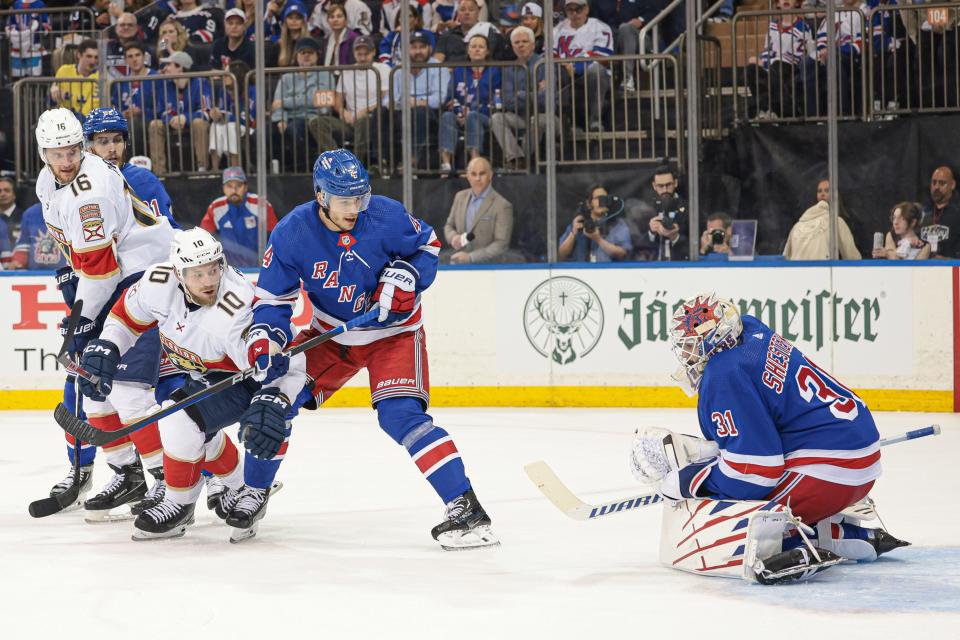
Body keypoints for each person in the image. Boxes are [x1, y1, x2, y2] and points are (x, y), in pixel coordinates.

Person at [248, 149, 499, 550]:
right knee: (273, 401)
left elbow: (429, 246)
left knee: (402, 417)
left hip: (394, 334)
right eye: (345, 200)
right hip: (330, 337)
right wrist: (267, 340)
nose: (355, 208)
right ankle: (252, 494)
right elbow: (273, 302)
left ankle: (466, 508)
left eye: (360, 197)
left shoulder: (385, 215)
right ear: (321, 197)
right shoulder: (293, 232)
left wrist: (410, 274)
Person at [630, 293, 909, 584]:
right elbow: (764, 418)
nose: (687, 357)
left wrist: (689, 481)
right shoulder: (751, 329)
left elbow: (754, 474)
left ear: (713, 343)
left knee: (729, 510)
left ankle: (790, 541)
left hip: (833, 470)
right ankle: (833, 530)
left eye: (690, 348)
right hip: (855, 451)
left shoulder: (723, 373)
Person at [77, 228, 306, 541]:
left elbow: (261, 361)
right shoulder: (158, 283)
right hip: (214, 370)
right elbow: (126, 318)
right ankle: (214, 492)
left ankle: (217, 495)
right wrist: (109, 345)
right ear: (177, 272)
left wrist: (270, 381)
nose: (209, 280)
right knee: (186, 422)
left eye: (214, 269)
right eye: (198, 273)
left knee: (184, 417)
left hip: (266, 373)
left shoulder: (231, 307)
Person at [34, 108, 175, 519]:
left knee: (130, 388)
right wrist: (72, 281)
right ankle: (126, 472)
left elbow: (104, 269)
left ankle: (167, 480)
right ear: (43, 152)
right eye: (57, 152)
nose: (66, 160)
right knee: (92, 382)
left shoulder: (90, 193)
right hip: (109, 278)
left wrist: (83, 319)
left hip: (140, 281)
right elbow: (78, 251)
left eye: (73, 150)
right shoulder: (49, 179)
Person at [83, 107, 178, 231]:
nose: (112, 148)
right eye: (103, 142)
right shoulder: (80, 187)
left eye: (117, 140)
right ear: (88, 148)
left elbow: (170, 231)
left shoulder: (144, 180)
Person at [313, 35, 390, 171]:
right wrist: (343, 112)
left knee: (364, 121)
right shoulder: (347, 71)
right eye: (358, 53)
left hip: (373, 119)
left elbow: (386, 98)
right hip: (349, 122)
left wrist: (366, 110)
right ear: (354, 53)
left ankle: (355, 168)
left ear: (373, 52)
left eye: (366, 53)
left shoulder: (383, 69)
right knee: (316, 123)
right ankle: (339, 162)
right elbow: (338, 99)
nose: (362, 57)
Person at [387, 30, 451, 170]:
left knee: (419, 112)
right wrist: (393, 103)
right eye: (414, 48)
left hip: (430, 114)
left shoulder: (439, 67)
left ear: (429, 48)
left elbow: (440, 98)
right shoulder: (399, 70)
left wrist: (418, 101)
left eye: (421, 47)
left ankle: (413, 159)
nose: (418, 51)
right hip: (402, 111)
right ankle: (382, 162)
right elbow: (389, 98)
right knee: (381, 114)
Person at [438, 33, 501, 172]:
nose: (477, 50)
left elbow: (496, 99)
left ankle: (474, 163)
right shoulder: (459, 71)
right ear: (468, 50)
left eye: (481, 47)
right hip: (460, 114)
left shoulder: (495, 71)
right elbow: (450, 97)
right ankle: (446, 164)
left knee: (473, 116)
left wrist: (472, 111)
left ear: (487, 51)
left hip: (485, 116)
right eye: (473, 46)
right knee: (447, 117)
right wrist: (459, 112)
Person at [744, 0, 816, 119]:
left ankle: (781, 110)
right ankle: (765, 109)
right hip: (773, 66)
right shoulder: (772, 25)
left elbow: (796, 55)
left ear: (797, 3)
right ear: (778, 4)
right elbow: (768, 50)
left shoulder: (803, 26)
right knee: (752, 68)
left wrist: (767, 63)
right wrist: (762, 62)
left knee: (777, 65)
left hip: (791, 67)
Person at [273, 38, 337, 171]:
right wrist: (281, 119)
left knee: (295, 130)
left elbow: (323, 101)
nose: (306, 55)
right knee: (264, 132)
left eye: (310, 52)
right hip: (287, 117)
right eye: (302, 52)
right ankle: (270, 171)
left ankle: (305, 170)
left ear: (317, 56)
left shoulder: (325, 75)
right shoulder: (286, 78)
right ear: (296, 56)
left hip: (312, 117)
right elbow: (276, 104)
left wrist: (287, 102)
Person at [148, 51, 213, 174]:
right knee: (155, 124)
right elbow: (161, 111)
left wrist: (185, 118)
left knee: (199, 122)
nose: (165, 69)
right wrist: (171, 119)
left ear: (180, 67)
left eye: (169, 65)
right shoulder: (166, 84)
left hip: (193, 124)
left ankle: (202, 169)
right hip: (172, 124)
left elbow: (206, 111)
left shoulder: (200, 83)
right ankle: (159, 172)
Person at [552, 0, 613, 132]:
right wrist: (562, 65)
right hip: (564, 75)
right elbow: (547, 55)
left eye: (578, 9)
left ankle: (595, 121)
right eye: (570, 10)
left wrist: (575, 68)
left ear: (586, 9)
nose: (574, 13)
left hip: (591, 76)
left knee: (596, 70)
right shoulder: (557, 30)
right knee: (553, 71)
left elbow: (602, 57)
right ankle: (566, 124)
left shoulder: (600, 27)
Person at [200, 167, 279, 267]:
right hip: (228, 270)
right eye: (229, 186)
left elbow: (276, 237)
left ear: (245, 187)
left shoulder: (260, 204)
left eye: (238, 185)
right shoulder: (216, 207)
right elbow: (202, 238)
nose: (234, 190)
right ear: (223, 188)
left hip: (258, 269)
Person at [490, 25, 543, 171]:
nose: (520, 45)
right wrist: (534, 93)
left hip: (544, 116)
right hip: (519, 117)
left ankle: (524, 161)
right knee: (497, 118)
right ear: (512, 47)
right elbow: (507, 101)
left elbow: (547, 100)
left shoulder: (543, 65)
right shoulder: (508, 69)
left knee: (539, 120)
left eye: (524, 42)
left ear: (533, 44)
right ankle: (517, 159)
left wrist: (520, 94)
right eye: (517, 42)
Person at [443, 156, 514, 264]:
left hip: (489, 266)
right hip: (458, 261)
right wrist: (453, 237)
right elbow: (449, 225)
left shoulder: (502, 205)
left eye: (482, 174)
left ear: (490, 175)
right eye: (473, 174)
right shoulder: (459, 197)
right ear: (467, 176)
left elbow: (501, 244)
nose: (477, 178)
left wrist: (471, 257)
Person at [782, 180, 860, 260]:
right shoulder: (836, 222)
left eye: (827, 191)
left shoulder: (797, 225)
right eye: (819, 191)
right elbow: (853, 258)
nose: (822, 194)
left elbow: (785, 258)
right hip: (824, 271)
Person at [558, 184, 632, 262]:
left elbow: (622, 253)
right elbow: (562, 254)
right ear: (589, 203)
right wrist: (572, 234)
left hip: (608, 272)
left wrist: (598, 239)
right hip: (580, 272)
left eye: (604, 198)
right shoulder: (579, 223)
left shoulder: (616, 224)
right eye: (598, 198)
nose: (601, 201)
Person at [646, 165, 689, 261]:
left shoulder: (689, 209)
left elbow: (697, 244)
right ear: (654, 186)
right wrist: (651, 232)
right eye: (660, 186)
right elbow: (637, 245)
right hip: (652, 267)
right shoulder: (648, 209)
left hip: (682, 266)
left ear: (676, 183)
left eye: (668, 185)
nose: (665, 190)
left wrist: (675, 237)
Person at [50, 38, 100, 119]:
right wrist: (53, 93)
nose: (93, 61)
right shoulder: (64, 70)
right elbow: (52, 101)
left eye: (96, 57)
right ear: (79, 55)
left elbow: (89, 113)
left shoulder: (100, 77)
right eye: (89, 56)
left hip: (87, 123)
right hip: (62, 120)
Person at [11, 202, 67, 270]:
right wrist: (18, 262)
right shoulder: (30, 213)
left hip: (66, 273)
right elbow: (23, 245)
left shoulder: (69, 209)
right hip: (35, 274)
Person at [919, 165, 960, 258]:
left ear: (952, 185)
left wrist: (948, 260)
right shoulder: (923, 213)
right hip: (923, 268)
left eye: (942, 183)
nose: (936, 187)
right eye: (934, 183)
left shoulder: (957, 214)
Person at [321, 2, 360, 66]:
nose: (335, 20)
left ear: (346, 20)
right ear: (327, 21)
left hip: (347, 74)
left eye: (339, 16)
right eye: (332, 17)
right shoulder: (326, 39)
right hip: (328, 74)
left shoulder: (353, 38)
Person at [0, 176, 24, 251]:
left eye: (7, 190)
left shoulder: (25, 217)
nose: (2, 194)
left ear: (14, 195)